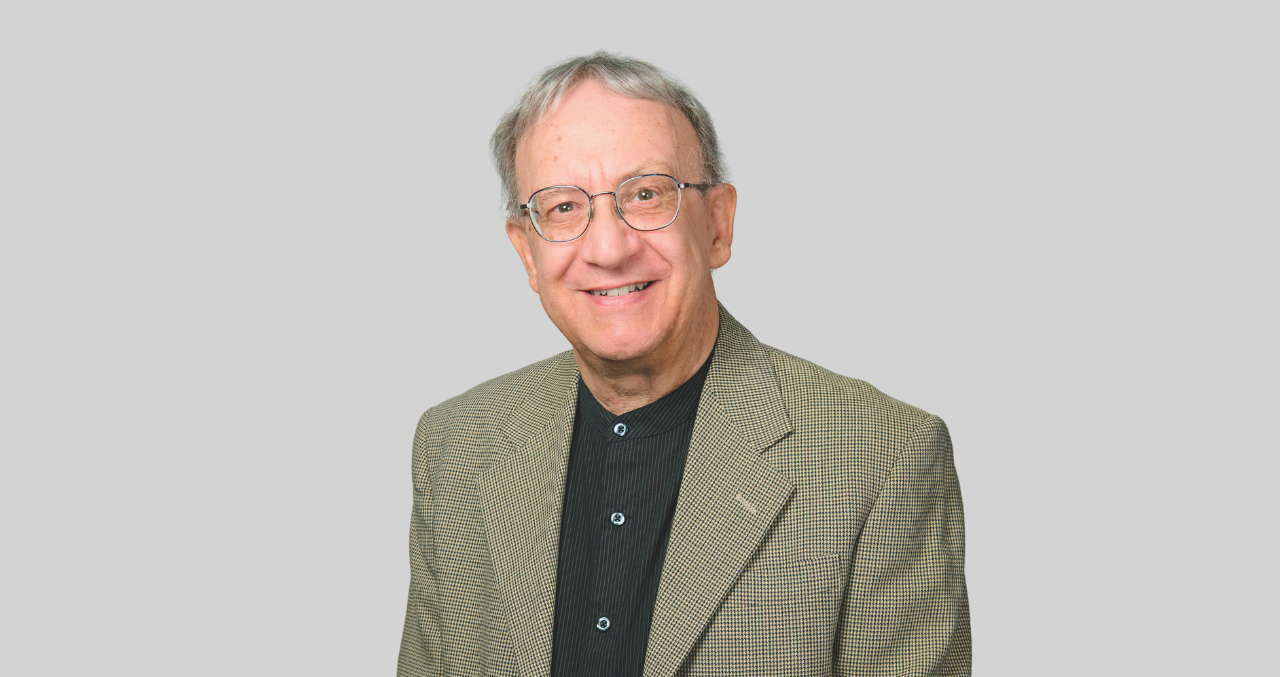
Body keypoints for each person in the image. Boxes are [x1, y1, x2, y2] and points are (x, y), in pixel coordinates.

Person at [398, 51, 970, 677]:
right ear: (527, 253)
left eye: (646, 195)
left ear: (718, 225)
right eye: (562, 207)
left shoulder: (880, 456)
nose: (608, 248)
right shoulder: (455, 447)